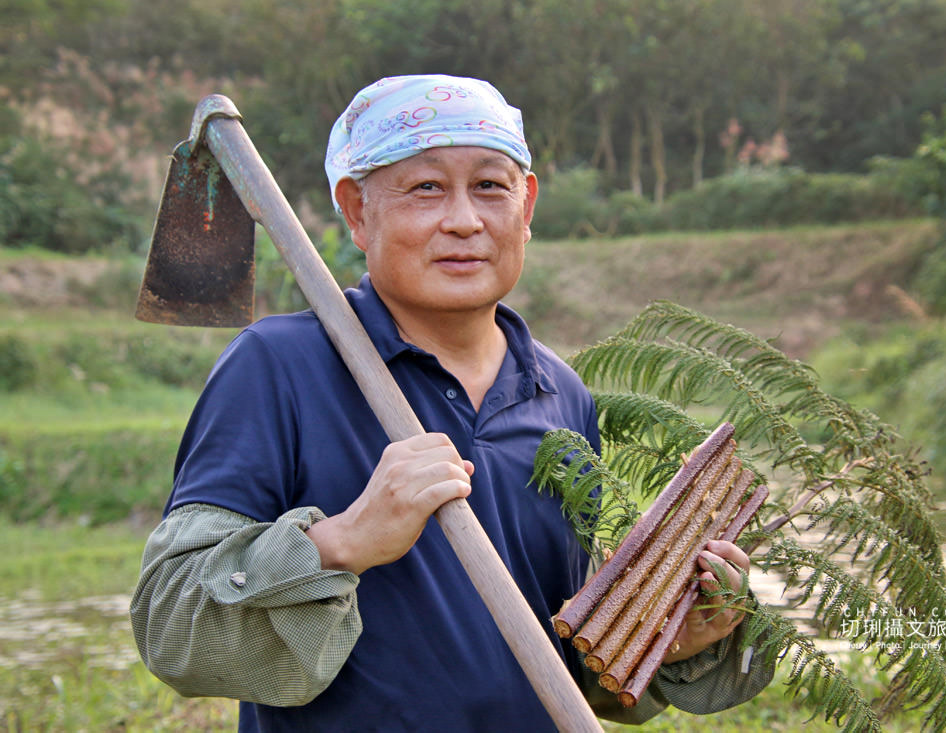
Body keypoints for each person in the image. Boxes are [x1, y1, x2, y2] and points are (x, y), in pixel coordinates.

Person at [130, 74, 773, 732]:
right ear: (356, 211)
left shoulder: (559, 395)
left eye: (490, 186)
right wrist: (344, 540)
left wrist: (667, 636)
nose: (464, 220)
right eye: (426, 188)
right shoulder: (278, 368)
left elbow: (558, 660)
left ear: (526, 206)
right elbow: (172, 625)